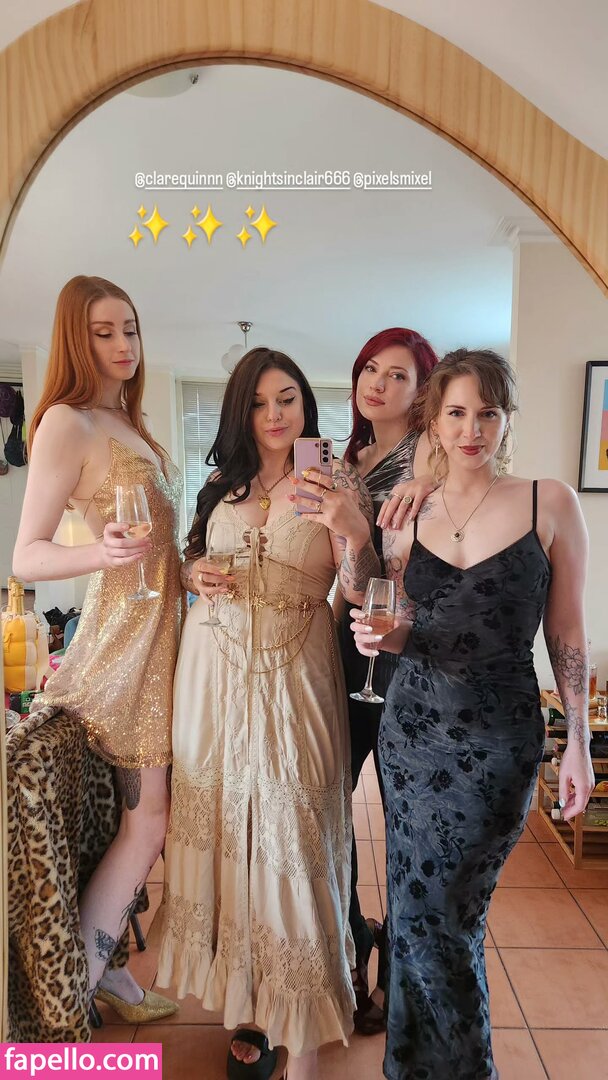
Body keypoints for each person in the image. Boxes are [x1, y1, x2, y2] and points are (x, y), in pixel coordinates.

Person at [351, 349, 595, 1080]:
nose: (472, 430)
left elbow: (567, 633)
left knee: (445, 917)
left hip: (498, 742)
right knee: (413, 913)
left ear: (506, 419)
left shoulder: (549, 503)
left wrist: (578, 741)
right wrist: (379, 634)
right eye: (456, 413)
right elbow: (404, 625)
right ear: (433, 420)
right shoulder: (406, 512)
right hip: (411, 735)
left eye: (488, 413)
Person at [152, 347, 379, 1080]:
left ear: (306, 405)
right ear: (239, 413)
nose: (275, 414)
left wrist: (353, 528)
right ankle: (251, 1004)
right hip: (212, 676)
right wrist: (194, 572)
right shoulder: (224, 482)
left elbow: (359, 588)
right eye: (258, 402)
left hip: (295, 674)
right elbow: (188, 559)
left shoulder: (334, 480)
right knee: (230, 830)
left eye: (287, 399)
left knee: (295, 835)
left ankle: (303, 1034)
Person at [13, 275, 182, 1022]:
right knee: (149, 823)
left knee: (135, 824)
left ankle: (104, 973)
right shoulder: (67, 421)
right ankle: (70, 1004)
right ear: (75, 341)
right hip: (122, 652)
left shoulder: (129, 422)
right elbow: (26, 554)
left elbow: (163, 550)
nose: (122, 344)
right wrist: (100, 552)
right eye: (103, 332)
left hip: (162, 641)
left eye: (130, 329)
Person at [337, 327, 439, 1033]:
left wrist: (424, 480)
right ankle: (350, 945)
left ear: (422, 390)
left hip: (408, 653)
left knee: (407, 820)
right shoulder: (349, 460)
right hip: (344, 648)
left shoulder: (429, 456)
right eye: (370, 368)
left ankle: (399, 975)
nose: (378, 383)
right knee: (328, 811)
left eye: (398, 374)